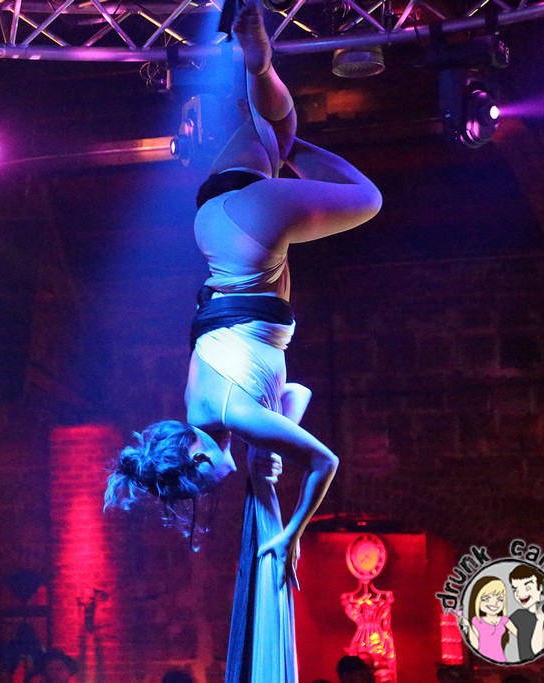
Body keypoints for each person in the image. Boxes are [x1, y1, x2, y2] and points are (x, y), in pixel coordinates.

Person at [103, 1, 382, 681]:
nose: (214, 488)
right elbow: (297, 390)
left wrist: (289, 535)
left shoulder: (230, 414)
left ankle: (284, 133)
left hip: (251, 238)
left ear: (197, 458)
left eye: (202, 483)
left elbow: (326, 461)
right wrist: (268, 446)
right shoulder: (207, 409)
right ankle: (256, 60)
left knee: (366, 198)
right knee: (276, 125)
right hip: (215, 222)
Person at [507, 565, 544, 661]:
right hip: (522, 666)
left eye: (527, 588)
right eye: (515, 589)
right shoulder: (518, 615)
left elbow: (538, 650)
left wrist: (540, 620)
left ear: (540, 588)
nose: (520, 594)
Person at [457, 576, 516, 662]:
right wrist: (468, 626)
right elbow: (475, 645)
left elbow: (520, 635)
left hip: (500, 659)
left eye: (499, 599)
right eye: (486, 599)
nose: (494, 603)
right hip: (482, 660)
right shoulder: (477, 621)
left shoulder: (504, 620)